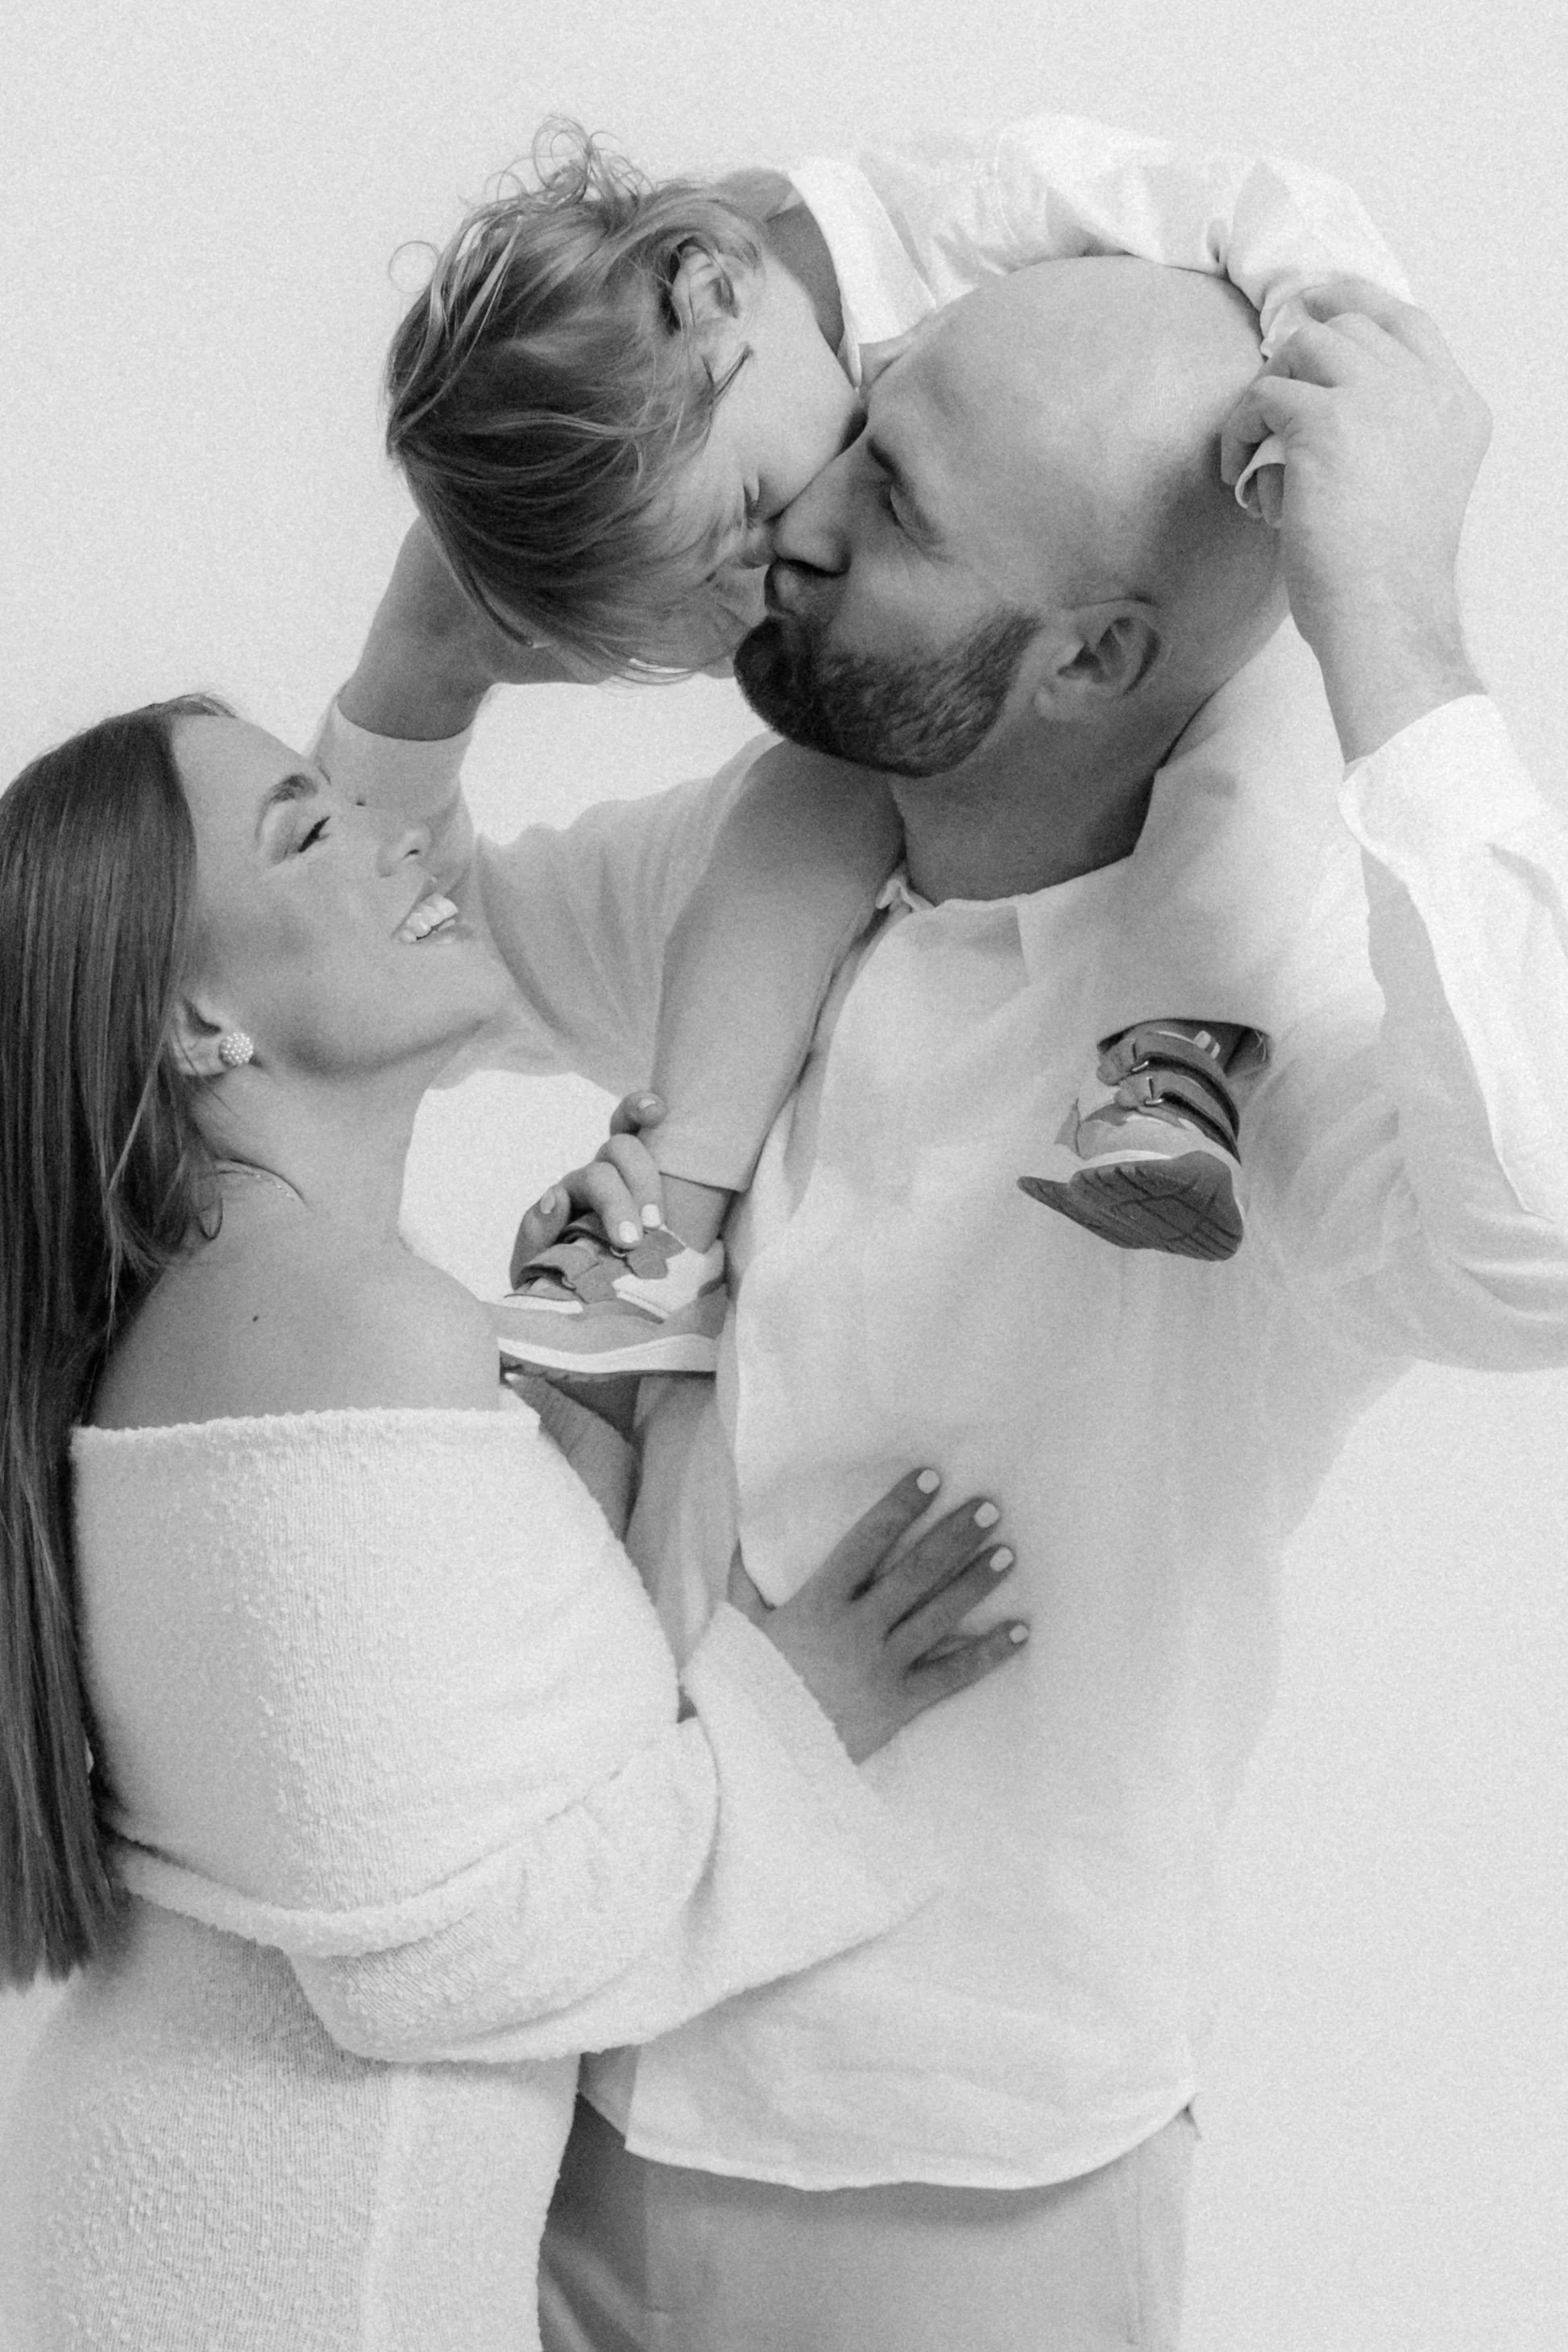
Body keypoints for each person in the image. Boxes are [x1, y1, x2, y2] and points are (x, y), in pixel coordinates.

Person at [324, 259, 1568, 2351]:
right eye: (866, 416)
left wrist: (1402, 640)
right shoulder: (748, 876)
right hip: (572, 2081)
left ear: (1088, 650)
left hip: (967, 2171)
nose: (800, 517)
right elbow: (339, 982)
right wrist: (423, 657)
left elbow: (1537, 1242)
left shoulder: (1266, 1031)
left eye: (894, 505)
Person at [0, 694, 1031, 2351]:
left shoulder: (271, 1313)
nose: (392, 838)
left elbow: (415, 1804)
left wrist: (565, 1408)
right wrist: (795, 1716)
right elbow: (430, 1962)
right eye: (305, 829)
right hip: (279, 2274)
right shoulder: (333, 1317)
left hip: (206, 2222)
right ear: (198, 1016)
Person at [377, 114, 1410, 1375]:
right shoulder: (733, 395)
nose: (782, 555)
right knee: (786, 824)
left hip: (1241, 568)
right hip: (1033, 672)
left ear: (716, 286)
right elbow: (386, 959)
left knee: (1252, 768)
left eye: (752, 509)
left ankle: (1171, 1057)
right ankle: (673, 1214)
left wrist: (1330, 350)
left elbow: (1255, 187)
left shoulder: (940, 221)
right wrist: (420, 675)